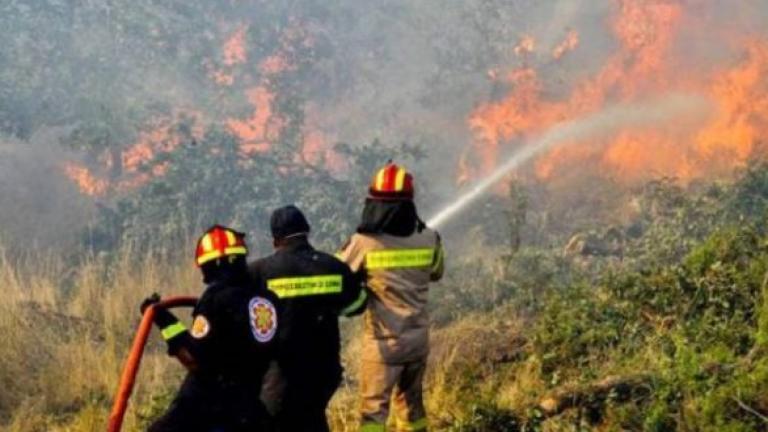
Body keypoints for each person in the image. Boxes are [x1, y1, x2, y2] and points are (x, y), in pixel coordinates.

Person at [337, 163, 444, 432]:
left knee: (373, 414)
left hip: (384, 345)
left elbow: (337, 276)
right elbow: (436, 272)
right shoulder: (430, 238)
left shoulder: (364, 242)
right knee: (412, 408)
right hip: (418, 341)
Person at [141, 225, 279, 432]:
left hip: (207, 405)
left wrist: (163, 319)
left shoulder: (216, 299)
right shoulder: (267, 300)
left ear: (212, 265)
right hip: (249, 407)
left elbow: (194, 359)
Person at [249, 205, 367, 432]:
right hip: (323, 370)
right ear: (307, 231)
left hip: (279, 374)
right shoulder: (333, 266)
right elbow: (358, 305)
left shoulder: (259, 272)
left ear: (275, 240)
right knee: (312, 419)